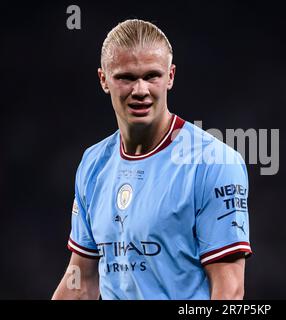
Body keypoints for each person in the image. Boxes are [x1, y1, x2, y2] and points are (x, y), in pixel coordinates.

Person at [52, 19, 252, 300]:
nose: (140, 90)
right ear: (103, 79)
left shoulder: (214, 163)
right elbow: (82, 280)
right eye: (126, 77)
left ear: (170, 76)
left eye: (151, 76)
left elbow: (229, 290)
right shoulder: (93, 163)